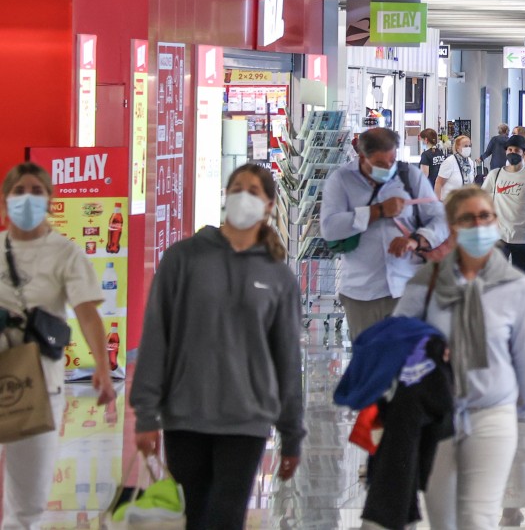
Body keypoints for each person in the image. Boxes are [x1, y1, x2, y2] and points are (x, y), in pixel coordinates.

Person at [133, 164, 304, 530]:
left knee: (226, 517)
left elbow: (287, 357)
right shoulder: (184, 258)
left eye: (254, 191)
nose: (243, 196)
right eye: (237, 188)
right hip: (186, 413)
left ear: (270, 204)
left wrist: (292, 432)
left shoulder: (278, 275)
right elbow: (156, 335)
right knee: (196, 516)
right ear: (225, 196)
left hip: (247, 418)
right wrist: (146, 412)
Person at [395, 187, 525, 529]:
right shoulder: (425, 284)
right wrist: (430, 351)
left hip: (493, 413)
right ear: (453, 227)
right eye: (468, 218)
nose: (478, 225)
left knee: (477, 518)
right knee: (443, 518)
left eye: (485, 216)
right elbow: (397, 345)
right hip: (437, 416)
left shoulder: (514, 285)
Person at [0, 163, 115, 529]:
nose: (27, 198)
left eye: (36, 191)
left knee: (27, 501)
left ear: (50, 200)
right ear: (5, 201)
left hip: (36, 385)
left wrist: (102, 367)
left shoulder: (65, 253)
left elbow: (86, 313)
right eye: (19, 191)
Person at [321, 128, 449, 338]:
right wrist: (376, 211)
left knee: (410, 362)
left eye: (393, 160)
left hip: (408, 287)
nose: (389, 167)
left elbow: (440, 218)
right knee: (371, 362)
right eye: (381, 164)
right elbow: (330, 228)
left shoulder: (409, 176)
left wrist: (417, 240)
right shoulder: (341, 180)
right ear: (363, 157)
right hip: (362, 293)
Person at [482, 134, 525, 274]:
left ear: (524, 153)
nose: (512, 153)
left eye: (516, 150)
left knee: (520, 277)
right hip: (499, 235)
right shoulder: (495, 175)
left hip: (523, 235)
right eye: (510, 150)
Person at [437, 134, 477, 200]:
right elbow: (438, 183)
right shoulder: (449, 162)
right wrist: (437, 203)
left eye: (470, 146)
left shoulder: (470, 162)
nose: (468, 148)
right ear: (457, 148)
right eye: (465, 146)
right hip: (449, 202)